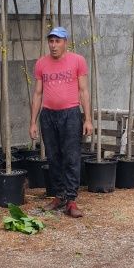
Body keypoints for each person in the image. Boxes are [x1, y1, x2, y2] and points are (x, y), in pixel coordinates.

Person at [29, 27, 93, 218]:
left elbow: (83, 91)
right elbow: (38, 93)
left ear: (65, 42)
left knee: (71, 156)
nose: (54, 45)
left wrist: (87, 119)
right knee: (53, 156)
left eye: (57, 41)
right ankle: (59, 196)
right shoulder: (41, 64)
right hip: (48, 115)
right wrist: (33, 122)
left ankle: (71, 200)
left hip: (71, 115)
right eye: (51, 41)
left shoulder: (77, 61)